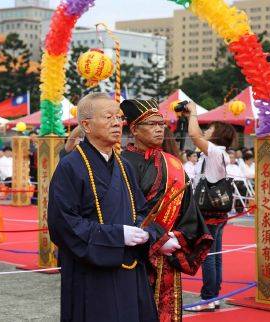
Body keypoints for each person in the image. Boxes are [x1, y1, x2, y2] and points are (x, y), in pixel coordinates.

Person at [48, 93, 164, 322]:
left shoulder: (124, 166)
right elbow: (63, 223)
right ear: (86, 126)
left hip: (129, 265)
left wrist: (149, 233)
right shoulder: (70, 167)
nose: (117, 123)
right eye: (108, 117)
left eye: (119, 117)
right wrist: (116, 235)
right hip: (91, 270)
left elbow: (141, 211)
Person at [120, 98, 213, 321]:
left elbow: (188, 208)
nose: (159, 129)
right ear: (134, 129)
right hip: (133, 253)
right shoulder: (120, 163)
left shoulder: (173, 164)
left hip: (167, 255)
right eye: (151, 124)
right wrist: (155, 239)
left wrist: (177, 237)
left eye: (161, 123)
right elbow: (121, 208)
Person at [182, 102, 237, 312]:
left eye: (210, 129)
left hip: (209, 213)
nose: (205, 131)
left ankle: (207, 298)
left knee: (208, 256)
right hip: (216, 211)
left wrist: (193, 114)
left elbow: (195, 135)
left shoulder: (214, 151)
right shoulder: (214, 153)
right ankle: (212, 296)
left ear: (217, 135)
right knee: (215, 255)